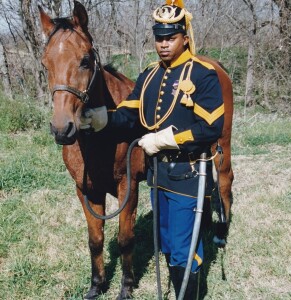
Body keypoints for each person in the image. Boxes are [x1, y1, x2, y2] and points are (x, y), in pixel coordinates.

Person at [80, 0, 224, 298]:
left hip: (189, 175)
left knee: (184, 251)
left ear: (185, 37)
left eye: (170, 37)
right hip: (159, 178)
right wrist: (101, 119)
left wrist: (164, 139)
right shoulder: (149, 75)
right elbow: (128, 116)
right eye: (159, 38)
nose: (164, 44)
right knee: (169, 246)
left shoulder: (202, 73)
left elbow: (212, 128)